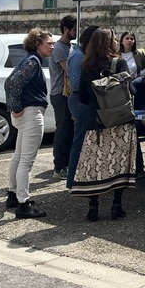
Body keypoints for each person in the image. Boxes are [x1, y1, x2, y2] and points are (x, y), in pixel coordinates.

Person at [75, 28, 134, 221]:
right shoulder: (119, 62)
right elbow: (131, 89)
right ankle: (117, 205)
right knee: (118, 163)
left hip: (96, 122)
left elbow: (82, 97)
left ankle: (93, 206)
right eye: (115, 39)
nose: (117, 42)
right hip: (119, 121)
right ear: (110, 43)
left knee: (95, 164)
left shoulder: (86, 65)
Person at [4, 27, 55, 219]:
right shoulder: (33, 62)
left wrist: (14, 107)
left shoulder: (28, 60)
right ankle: (23, 203)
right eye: (49, 43)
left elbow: (10, 83)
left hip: (25, 114)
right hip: (31, 114)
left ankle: (13, 194)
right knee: (26, 160)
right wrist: (15, 106)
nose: (52, 47)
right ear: (37, 44)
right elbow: (12, 83)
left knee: (18, 157)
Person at [65, 24, 99, 190]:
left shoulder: (79, 53)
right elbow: (76, 83)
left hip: (80, 100)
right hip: (80, 100)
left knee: (81, 140)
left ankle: (77, 179)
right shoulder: (79, 55)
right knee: (79, 141)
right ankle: (72, 180)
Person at [50, 15, 77, 180]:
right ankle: (59, 167)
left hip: (68, 93)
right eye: (73, 29)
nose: (75, 32)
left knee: (70, 131)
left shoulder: (71, 47)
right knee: (63, 130)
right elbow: (69, 69)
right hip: (60, 93)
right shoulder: (59, 48)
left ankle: (66, 164)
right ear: (65, 29)